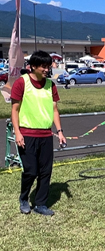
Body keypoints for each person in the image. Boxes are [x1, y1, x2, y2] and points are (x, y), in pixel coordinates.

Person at [11, 50, 66, 216]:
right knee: (30, 170)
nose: (46, 69)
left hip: (46, 135)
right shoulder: (21, 83)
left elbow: (55, 110)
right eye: (43, 66)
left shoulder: (51, 85)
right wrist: (18, 133)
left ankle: (40, 203)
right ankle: (24, 198)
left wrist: (60, 131)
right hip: (27, 134)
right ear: (32, 66)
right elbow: (14, 110)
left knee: (45, 171)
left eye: (48, 66)